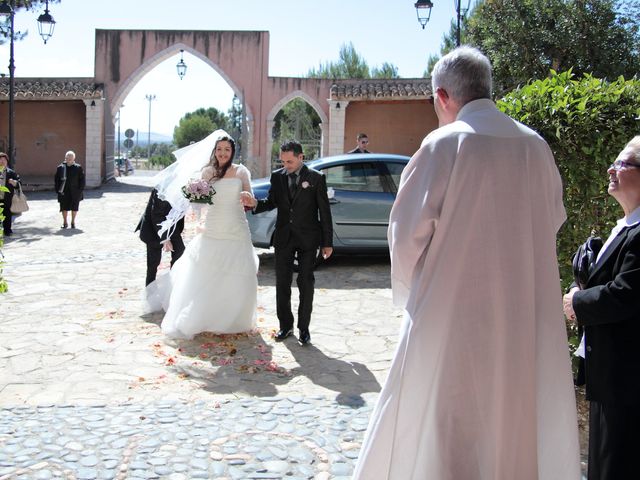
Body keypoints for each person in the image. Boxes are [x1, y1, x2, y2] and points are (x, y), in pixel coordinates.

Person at [353, 46, 580, 480]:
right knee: (511, 416)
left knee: (448, 420)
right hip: (522, 314)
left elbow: (405, 236)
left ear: (442, 97)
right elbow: (552, 221)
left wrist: (409, 294)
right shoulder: (536, 146)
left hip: (451, 312)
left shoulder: (443, 144)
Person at [563, 136, 640, 480]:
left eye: (622, 163)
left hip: (628, 380)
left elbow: (626, 293)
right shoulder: (626, 226)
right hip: (610, 375)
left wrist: (576, 302)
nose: (611, 169)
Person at [145, 131, 258, 339]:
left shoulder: (242, 172)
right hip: (213, 227)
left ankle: (234, 317)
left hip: (236, 227)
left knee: (239, 270)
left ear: (233, 152)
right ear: (214, 152)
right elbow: (198, 202)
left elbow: (253, 200)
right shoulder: (207, 173)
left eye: (227, 149)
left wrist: (248, 198)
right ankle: (207, 315)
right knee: (208, 271)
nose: (223, 153)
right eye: (219, 149)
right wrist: (194, 193)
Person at [246, 141, 333, 345]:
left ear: (301, 157)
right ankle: (285, 326)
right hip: (284, 237)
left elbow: (325, 212)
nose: (286, 165)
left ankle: (304, 329)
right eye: (283, 161)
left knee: (305, 282)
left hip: (308, 239)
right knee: (282, 283)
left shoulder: (316, 178)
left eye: (290, 161)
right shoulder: (277, 177)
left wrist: (327, 242)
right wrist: (255, 204)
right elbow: (272, 201)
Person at [135, 188, 185, 286]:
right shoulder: (162, 187)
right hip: (153, 228)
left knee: (180, 251)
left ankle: (173, 284)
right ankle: (150, 289)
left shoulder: (184, 185)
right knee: (153, 263)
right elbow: (157, 215)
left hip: (172, 225)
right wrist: (165, 238)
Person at [54, 150, 85, 229]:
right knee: (64, 207)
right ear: (65, 158)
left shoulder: (78, 167)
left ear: (74, 158)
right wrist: (58, 190)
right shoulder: (60, 167)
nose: (69, 159)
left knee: (74, 207)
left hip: (75, 191)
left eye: (70, 158)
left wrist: (80, 190)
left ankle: (73, 222)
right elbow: (56, 180)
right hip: (63, 191)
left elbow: (82, 180)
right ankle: (65, 222)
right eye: (67, 158)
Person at [0, 152, 20, 237]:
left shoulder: (11, 173)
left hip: (6, 197)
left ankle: (7, 230)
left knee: (7, 214)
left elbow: (19, 184)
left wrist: (14, 182)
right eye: (0, 160)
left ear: (7, 161)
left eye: (3, 160)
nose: (1, 161)